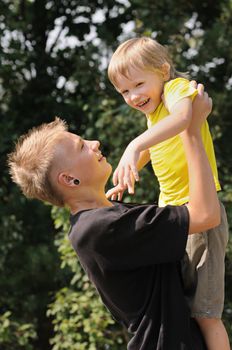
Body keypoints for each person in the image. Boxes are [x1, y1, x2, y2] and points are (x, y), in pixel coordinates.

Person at [8, 88, 219, 350]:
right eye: (82, 146)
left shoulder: (101, 220)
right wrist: (191, 130)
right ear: (70, 180)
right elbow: (206, 215)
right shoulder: (100, 229)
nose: (94, 142)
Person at [107, 37, 229, 350]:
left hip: (200, 210)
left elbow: (183, 120)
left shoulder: (175, 90)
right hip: (176, 216)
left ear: (162, 71)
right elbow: (158, 140)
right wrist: (126, 177)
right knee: (182, 308)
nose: (133, 96)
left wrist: (135, 145)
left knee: (206, 314)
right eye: (124, 91)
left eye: (137, 84)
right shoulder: (154, 111)